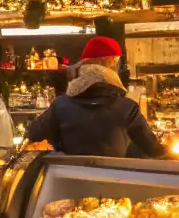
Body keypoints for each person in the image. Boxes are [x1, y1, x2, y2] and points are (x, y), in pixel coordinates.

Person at [25, 36, 161, 158]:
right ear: (113, 67)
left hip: (68, 181)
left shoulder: (61, 105)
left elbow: (33, 133)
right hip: (113, 181)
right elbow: (153, 150)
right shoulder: (127, 108)